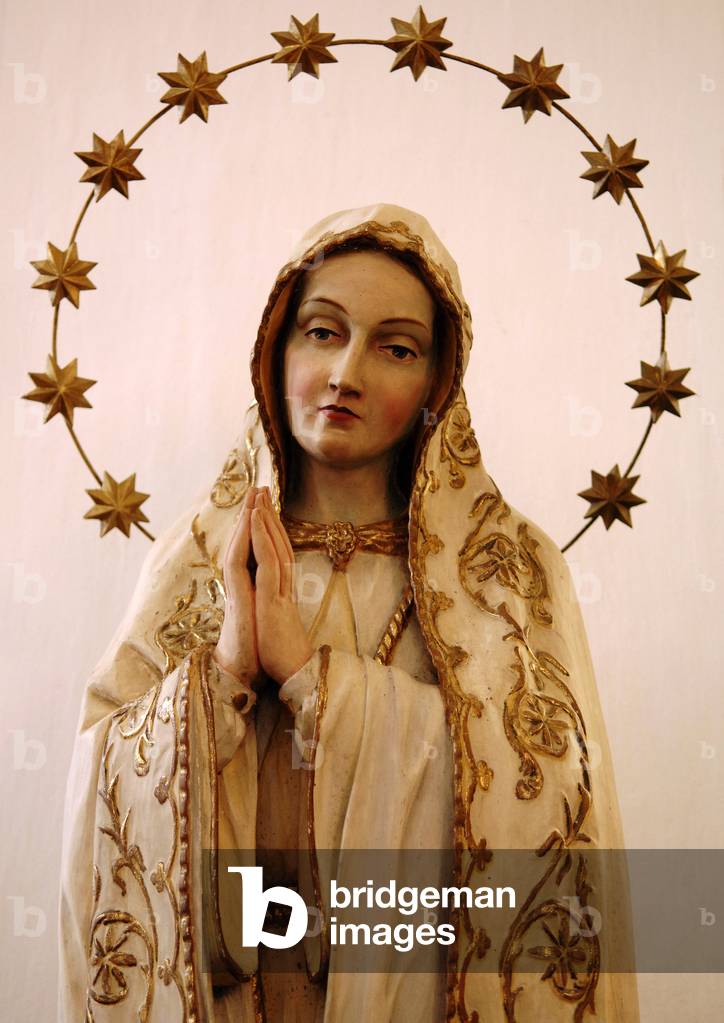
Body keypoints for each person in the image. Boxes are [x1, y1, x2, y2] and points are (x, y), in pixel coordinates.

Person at [58, 204, 640, 1022]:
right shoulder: (198, 555)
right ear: (276, 349)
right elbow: (100, 781)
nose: (346, 373)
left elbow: (550, 812)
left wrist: (311, 680)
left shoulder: (508, 569)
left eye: (394, 347)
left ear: (437, 385)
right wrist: (222, 675)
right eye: (322, 332)